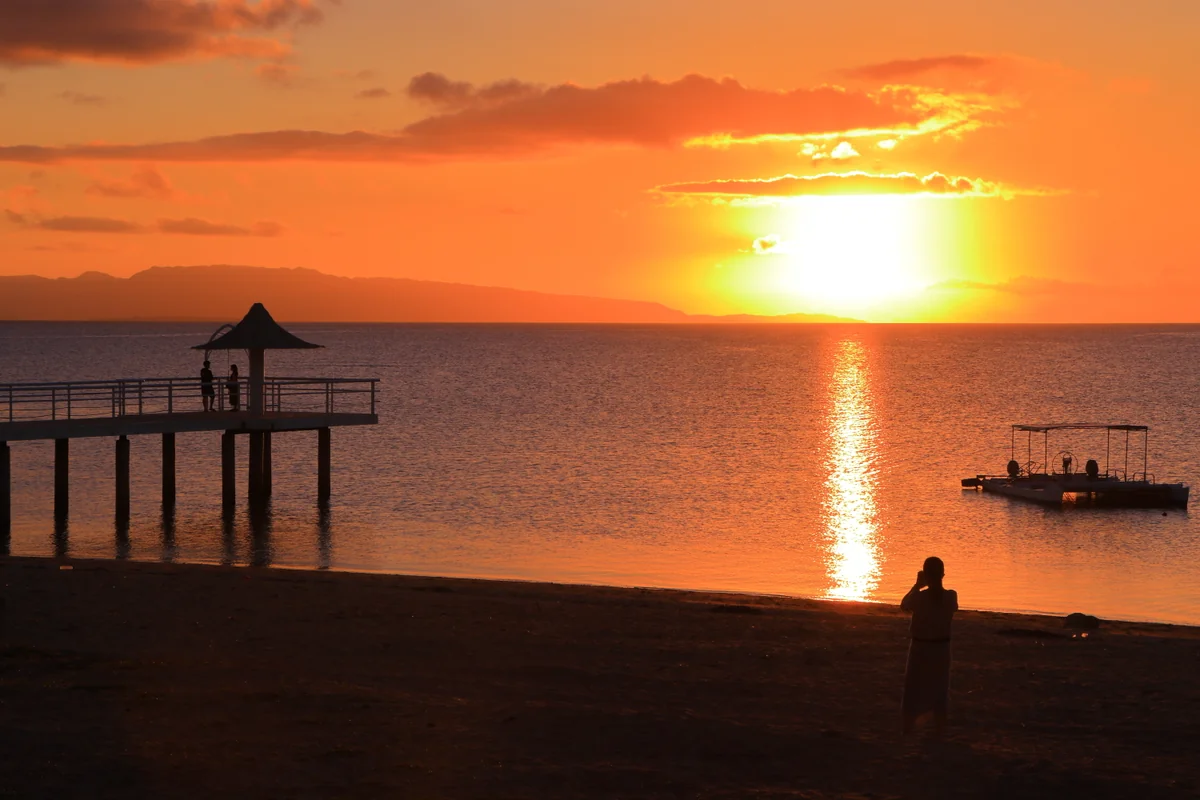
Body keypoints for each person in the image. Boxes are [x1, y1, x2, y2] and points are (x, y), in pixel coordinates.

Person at [900, 556, 958, 737]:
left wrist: (917, 585)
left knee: (913, 688)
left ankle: (908, 728)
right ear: (943, 574)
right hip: (940, 648)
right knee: (939, 688)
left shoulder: (919, 598)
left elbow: (904, 605)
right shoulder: (950, 596)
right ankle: (939, 729)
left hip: (920, 646)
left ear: (926, 575)